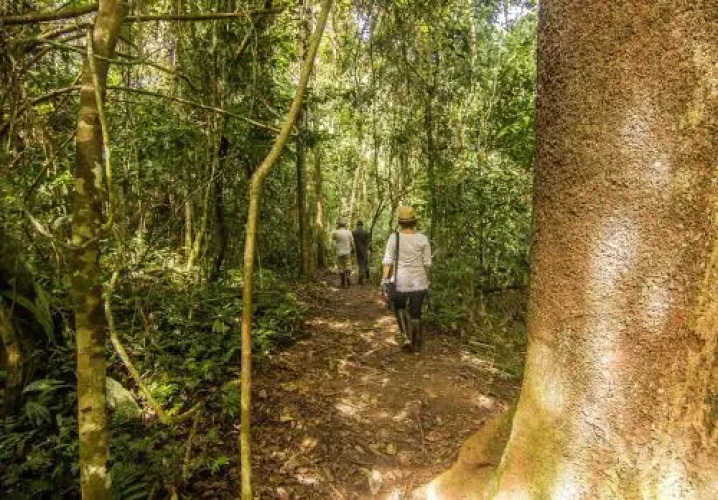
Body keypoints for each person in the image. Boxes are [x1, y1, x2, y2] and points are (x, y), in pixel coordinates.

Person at [381, 206, 431, 353]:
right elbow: (427, 263)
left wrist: (384, 279)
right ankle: (416, 346)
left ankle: (406, 337)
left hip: (400, 281)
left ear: (400, 223)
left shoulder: (394, 237)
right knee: (416, 313)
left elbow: (388, 261)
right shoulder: (422, 238)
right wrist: (427, 280)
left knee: (400, 307)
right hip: (419, 281)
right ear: (415, 222)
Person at [331, 220, 354, 287]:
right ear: (345, 225)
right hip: (347, 251)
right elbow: (352, 242)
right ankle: (348, 276)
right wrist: (353, 249)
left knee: (341, 267)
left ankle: (343, 283)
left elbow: (334, 243)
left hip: (339, 251)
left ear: (339, 225)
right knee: (348, 265)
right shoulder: (349, 232)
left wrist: (335, 249)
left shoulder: (335, 232)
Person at [352, 221, 371, 285]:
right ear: (362, 225)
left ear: (357, 225)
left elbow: (352, 242)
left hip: (358, 251)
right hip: (365, 251)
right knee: (366, 263)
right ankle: (368, 278)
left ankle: (361, 279)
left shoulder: (354, 232)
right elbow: (368, 242)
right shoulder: (366, 232)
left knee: (360, 264)